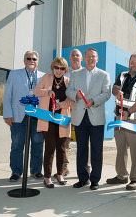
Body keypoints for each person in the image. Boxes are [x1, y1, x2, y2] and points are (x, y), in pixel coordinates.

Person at [66, 48, 111, 190]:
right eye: (88, 56)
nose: (91, 59)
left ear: (97, 59)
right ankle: (83, 178)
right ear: (84, 59)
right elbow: (69, 91)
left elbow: (106, 94)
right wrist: (76, 96)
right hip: (80, 117)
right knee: (81, 149)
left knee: (96, 149)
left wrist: (93, 100)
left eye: (93, 56)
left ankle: (95, 179)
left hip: (96, 116)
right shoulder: (76, 74)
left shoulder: (104, 75)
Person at [106, 53, 136, 190]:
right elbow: (114, 88)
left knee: (135, 150)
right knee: (120, 148)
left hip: (134, 119)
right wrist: (117, 91)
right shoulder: (122, 75)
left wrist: (129, 112)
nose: (134, 66)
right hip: (119, 118)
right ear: (129, 63)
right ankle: (121, 176)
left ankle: (135, 179)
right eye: (132, 63)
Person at [3, 51, 45, 182]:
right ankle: (16, 171)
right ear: (24, 60)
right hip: (18, 116)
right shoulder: (14, 74)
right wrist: (7, 114)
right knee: (17, 145)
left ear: (38, 61)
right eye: (28, 58)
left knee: (38, 144)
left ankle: (36, 170)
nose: (31, 60)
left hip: (37, 116)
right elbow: (7, 95)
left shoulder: (44, 76)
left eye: (34, 59)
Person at [33, 57, 73, 188]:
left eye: (62, 68)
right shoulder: (46, 77)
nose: (59, 70)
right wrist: (48, 92)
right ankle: (47, 177)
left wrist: (60, 105)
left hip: (62, 119)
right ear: (53, 67)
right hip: (47, 118)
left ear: (65, 70)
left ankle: (60, 174)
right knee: (50, 148)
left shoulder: (68, 81)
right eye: (57, 67)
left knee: (61, 149)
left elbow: (71, 101)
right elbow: (36, 91)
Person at [55, 49, 83, 178]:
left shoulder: (86, 73)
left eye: (77, 55)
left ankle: (85, 168)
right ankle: (64, 168)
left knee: (82, 140)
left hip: (82, 111)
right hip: (66, 111)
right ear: (70, 59)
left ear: (81, 58)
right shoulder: (63, 73)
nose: (75, 57)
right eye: (73, 55)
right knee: (64, 141)